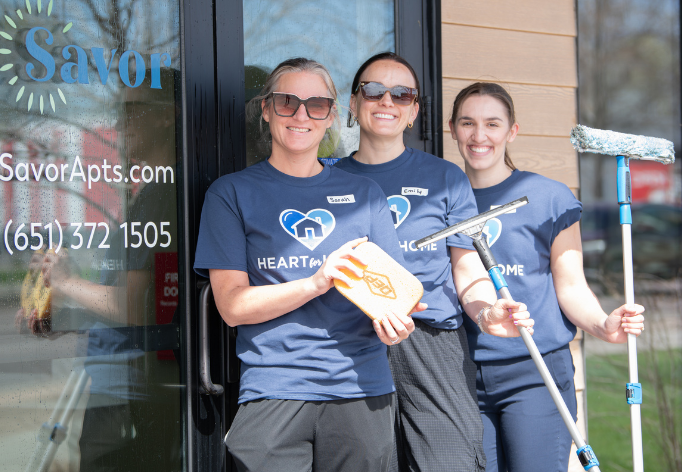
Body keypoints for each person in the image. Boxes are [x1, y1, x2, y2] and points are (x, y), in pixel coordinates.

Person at [194, 57, 425, 469]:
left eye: (316, 105)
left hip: (361, 389)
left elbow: (389, 298)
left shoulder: (366, 196)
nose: (301, 115)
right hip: (274, 388)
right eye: (287, 102)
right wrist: (315, 283)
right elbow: (231, 307)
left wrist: (395, 326)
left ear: (331, 116)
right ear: (266, 109)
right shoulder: (231, 194)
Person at [329, 52, 531, 472]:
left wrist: (486, 311)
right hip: (351, 340)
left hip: (431, 339)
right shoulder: (326, 178)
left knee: (449, 460)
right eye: (373, 90)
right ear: (353, 102)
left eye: (402, 94)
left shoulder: (444, 178)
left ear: (414, 111)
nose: (387, 101)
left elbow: (466, 267)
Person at [448, 82, 648, 471]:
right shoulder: (447, 200)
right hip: (463, 373)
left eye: (492, 123)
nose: (479, 135)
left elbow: (570, 285)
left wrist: (602, 325)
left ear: (512, 131)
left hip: (536, 371)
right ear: (452, 129)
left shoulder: (548, 197)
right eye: (467, 123)